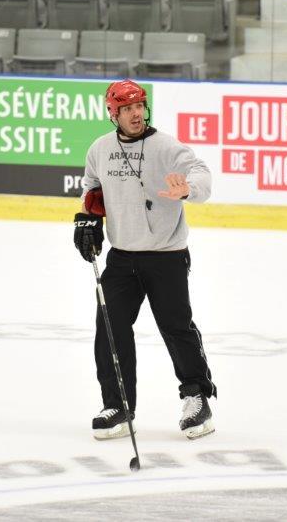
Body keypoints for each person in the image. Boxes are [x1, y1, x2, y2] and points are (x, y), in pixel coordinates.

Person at [73, 79, 217, 441]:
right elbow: (92, 188)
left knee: (176, 326)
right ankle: (119, 405)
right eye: (127, 108)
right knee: (110, 326)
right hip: (122, 258)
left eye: (140, 106)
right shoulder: (100, 149)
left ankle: (197, 397)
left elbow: (201, 172)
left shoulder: (165, 146)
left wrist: (189, 189)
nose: (136, 113)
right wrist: (88, 218)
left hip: (166, 256)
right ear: (113, 113)